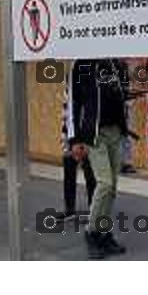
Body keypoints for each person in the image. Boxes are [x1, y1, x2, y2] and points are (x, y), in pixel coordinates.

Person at [67, 59, 129, 259]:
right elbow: (74, 103)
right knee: (105, 183)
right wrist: (74, 139)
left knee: (112, 189)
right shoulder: (82, 64)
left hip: (115, 132)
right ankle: (91, 232)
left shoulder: (116, 64)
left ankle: (104, 232)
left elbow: (121, 95)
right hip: (94, 135)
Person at [54, 73, 97, 222]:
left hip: (83, 135)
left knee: (90, 172)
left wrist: (80, 139)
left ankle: (94, 209)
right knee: (69, 170)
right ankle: (69, 209)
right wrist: (66, 134)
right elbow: (67, 111)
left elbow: (84, 112)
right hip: (68, 132)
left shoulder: (86, 84)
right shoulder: (69, 83)